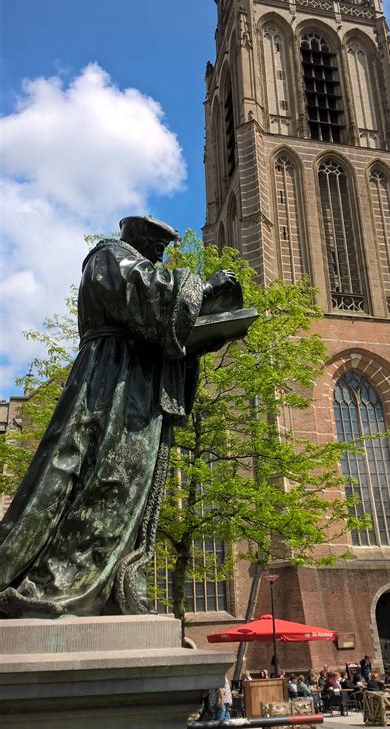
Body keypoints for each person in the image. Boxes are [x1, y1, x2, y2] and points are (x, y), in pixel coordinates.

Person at [0, 215, 237, 617]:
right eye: (157, 249)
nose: (161, 258)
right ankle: (56, 582)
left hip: (136, 387)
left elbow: (166, 322)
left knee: (126, 489)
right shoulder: (109, 257)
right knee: (101, 481)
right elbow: (150, 296)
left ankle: (108, 586)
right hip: (113, 385)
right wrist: (209, 286)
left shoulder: (131, 264)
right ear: (137, 240)